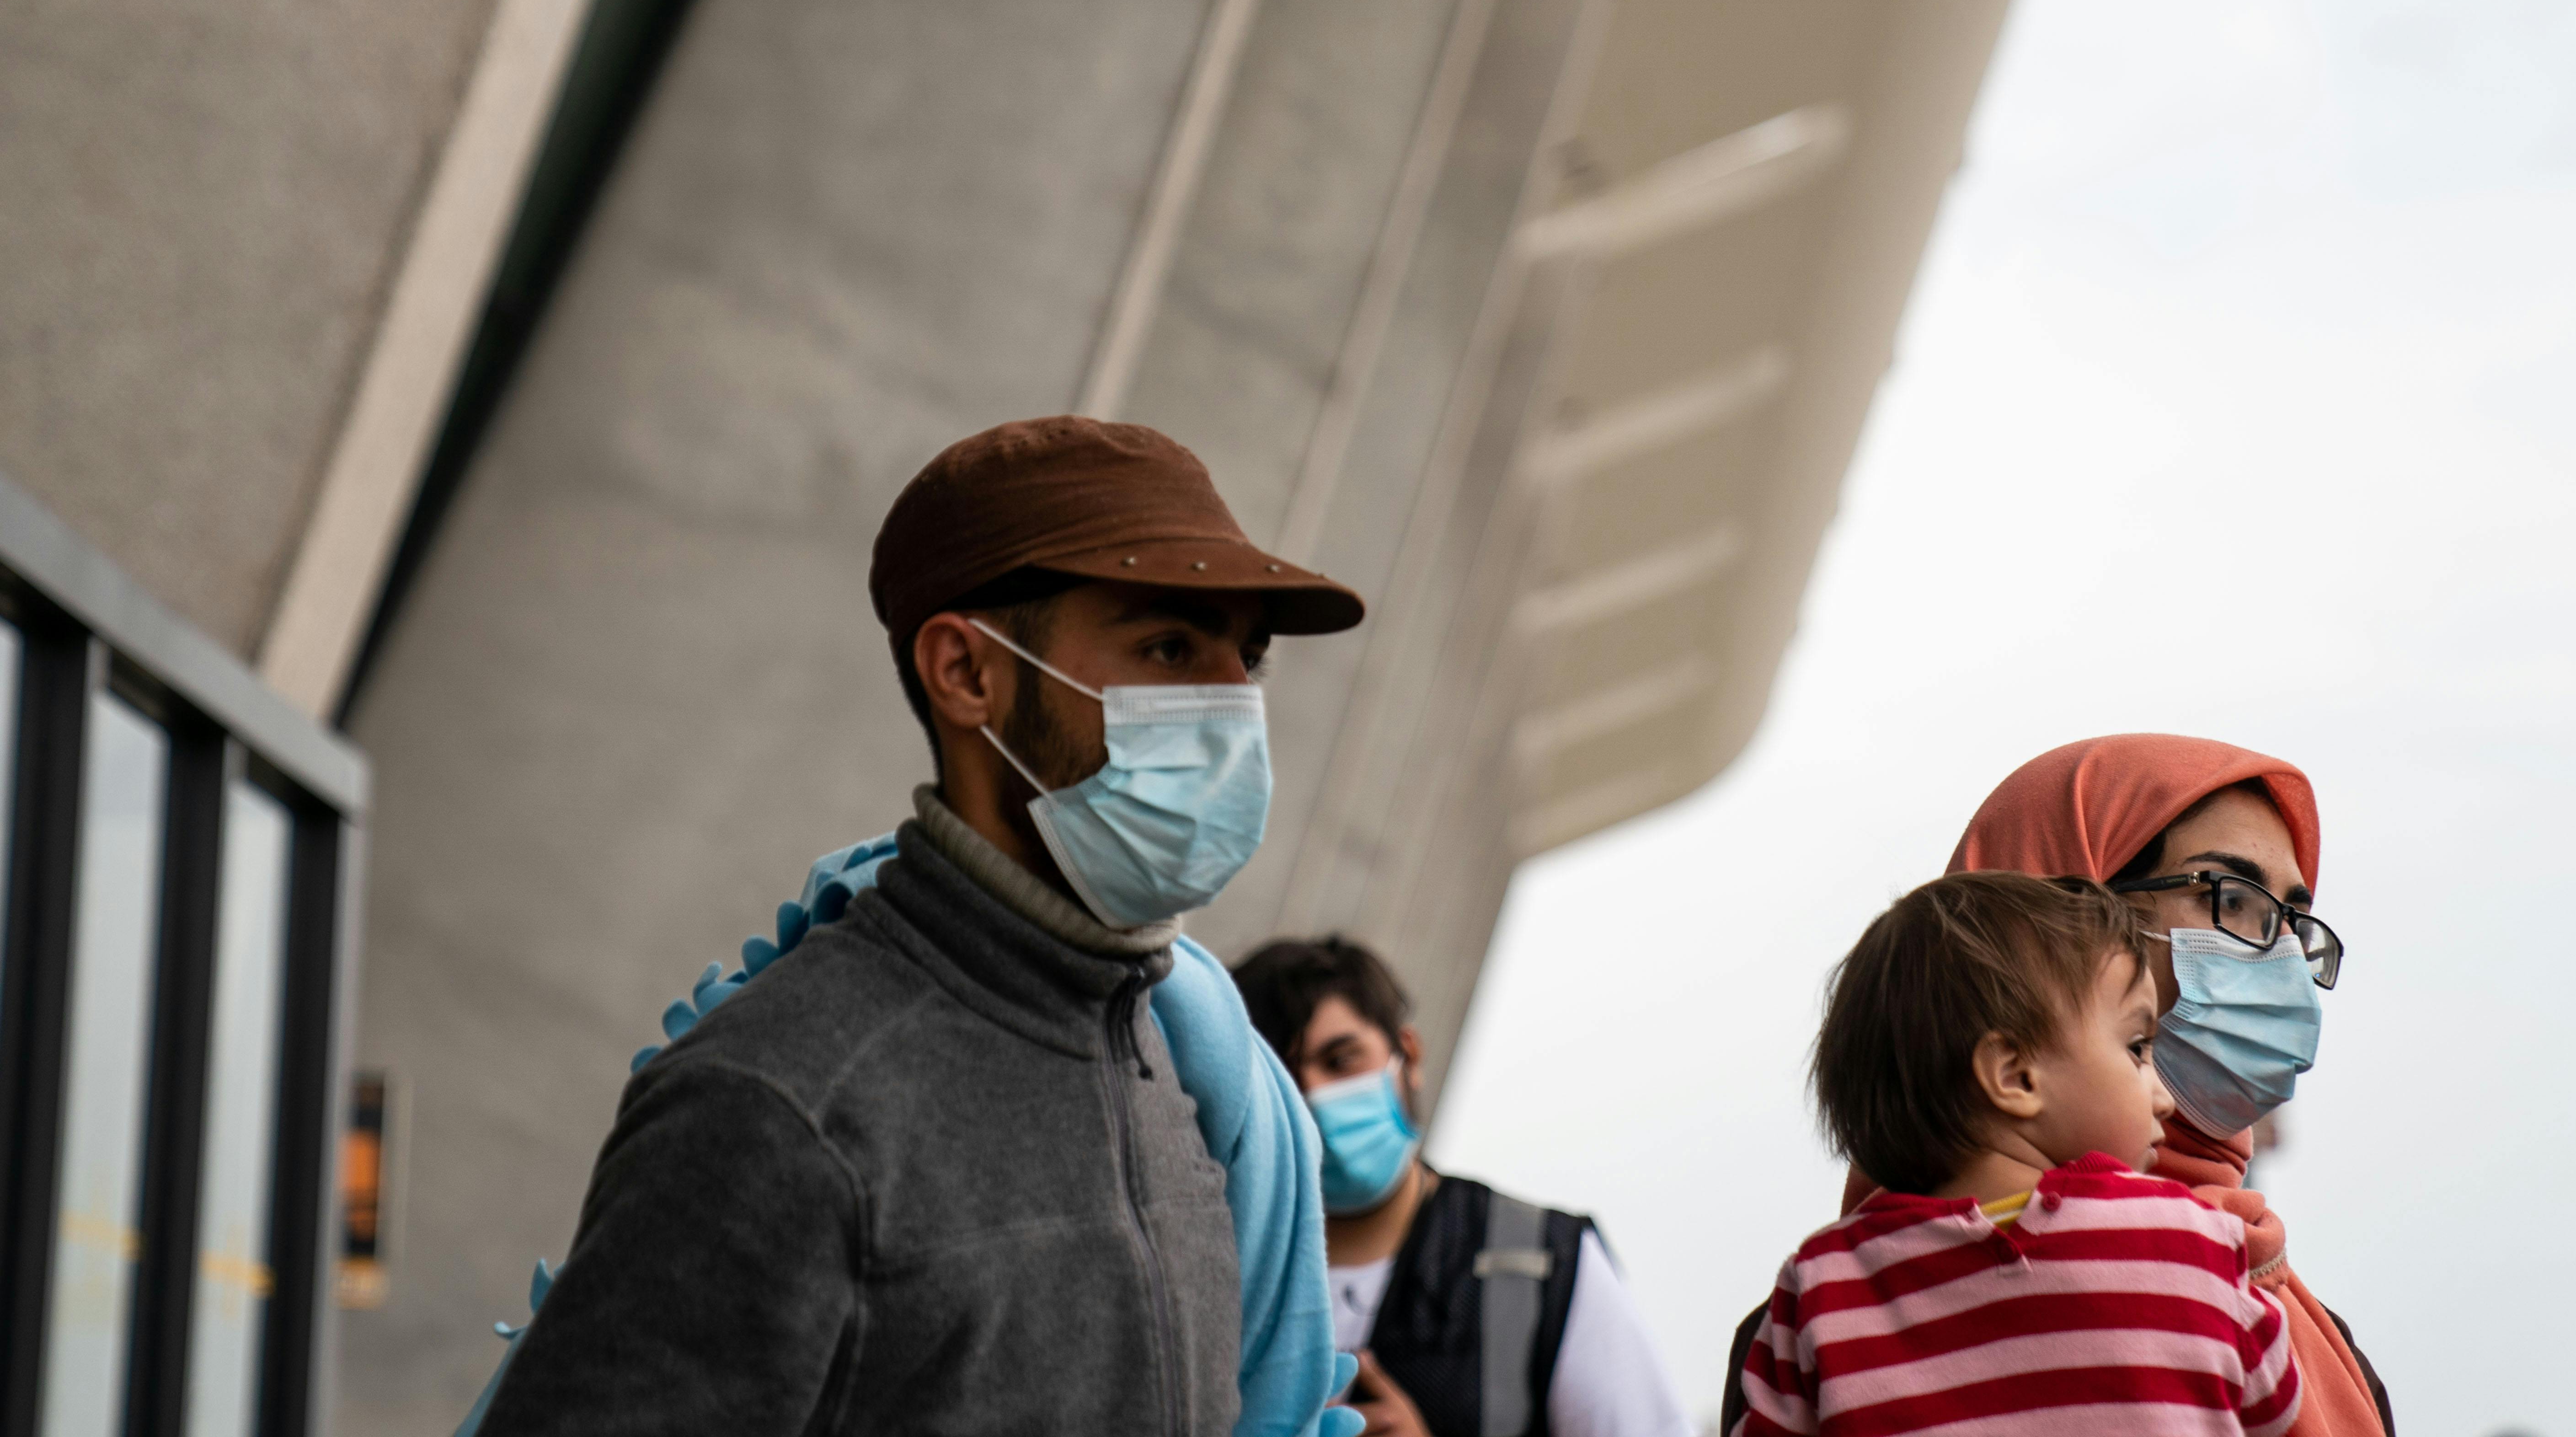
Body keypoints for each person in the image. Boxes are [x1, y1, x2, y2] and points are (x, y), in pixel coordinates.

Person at [474, 417, 1367, 1436]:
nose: (1231, 705)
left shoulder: (1171, 1086)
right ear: (967, 672)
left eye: (1243, 658)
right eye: (1168, 646)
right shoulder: (786, 1104)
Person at [1721, 735, 2394, 1437]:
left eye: (2292, 920)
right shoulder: (1805, 1333)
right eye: (2232, 897)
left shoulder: (1826, 1315)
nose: (2281, 954)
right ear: (2067, 919)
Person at [1733, 870, 2303, 1436]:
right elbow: (2278, 1404)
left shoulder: (1819, 1293)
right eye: (2136, 1048)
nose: (2162, 1097)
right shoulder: (2191, 1242)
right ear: (2015, 1076)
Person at [1233, 935, 1694, 1437]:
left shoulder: (1540, 1262)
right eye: (1286, 1082)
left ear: (1408, 1054)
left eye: (1342, 1061)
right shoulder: (1210, 1266)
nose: (1317, 1100)